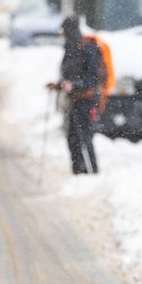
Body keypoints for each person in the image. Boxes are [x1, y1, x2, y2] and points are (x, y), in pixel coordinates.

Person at [49, 17, 106, 174]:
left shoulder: (87, 49)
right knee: (73, 138)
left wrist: (76, 85)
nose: (63, 35)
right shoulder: (70, 50)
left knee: (85, 137)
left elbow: (93, 77)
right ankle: (78, 171)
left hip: (87, 100)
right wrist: (59, 85)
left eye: (64, 32)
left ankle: (92, 171)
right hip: (74, 100)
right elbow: (70, 74)